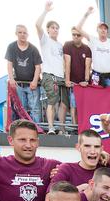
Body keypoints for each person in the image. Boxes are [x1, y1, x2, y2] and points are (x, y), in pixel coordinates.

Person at [35, 1, 67, 134]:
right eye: (52, 27)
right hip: (50, 75)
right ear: (48, 30)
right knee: (51, 102)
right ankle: (51, 127)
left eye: (57, 28)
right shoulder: (45, 40)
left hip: (61, 77)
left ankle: (62, 127)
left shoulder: (60, 45)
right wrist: (45, 11)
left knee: (63, 104)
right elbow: (37, 25)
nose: (55, 29)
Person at [5, 25, 42, 123]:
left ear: (28, 35)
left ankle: (36, 128)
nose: (22, 35)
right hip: (19, 84)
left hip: (32, 84)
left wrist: (34, 81)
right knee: (21, 108)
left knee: (35, 108)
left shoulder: (33, 49)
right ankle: (24, 128)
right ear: (16, 34)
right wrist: (11, 79)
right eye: (20, 32)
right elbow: (9, 64)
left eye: (24, 33)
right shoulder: (11, 47)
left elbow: (38, 67)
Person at [77, 7, 110, 87]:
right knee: (95, 97)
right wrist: (86, 14)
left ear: (107, 31)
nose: (103, 30)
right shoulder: (93, 40)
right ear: (97, 30)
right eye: (101, 28)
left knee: (109, 97)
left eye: (105, 28)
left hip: (109, 76)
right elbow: (78, 28)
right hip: (96, 75)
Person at [63, 26, 92, 123]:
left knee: (84, 107)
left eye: (78, 35)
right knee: (73, 105)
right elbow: (67, 63)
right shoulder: (67, 45)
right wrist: (67, 80)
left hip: (84, 84)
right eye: (73, 34)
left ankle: (84, 125)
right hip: (73, 83)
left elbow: (88, 66)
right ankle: (75, 127)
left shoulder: (87, 48)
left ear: (82, 36)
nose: (76, 36)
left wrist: (86, 81)